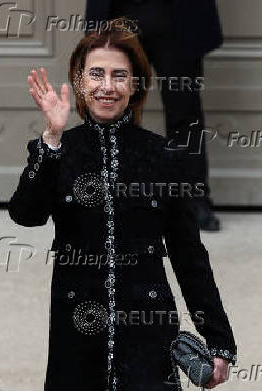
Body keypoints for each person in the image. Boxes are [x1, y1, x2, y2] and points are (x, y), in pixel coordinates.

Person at [8, 20, 237, 391]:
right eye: (96, 74)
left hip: (148, 331)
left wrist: (218, 339)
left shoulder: (163, 157)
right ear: (79, 82)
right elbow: (26, 214)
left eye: (119, 76)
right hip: (77, 330)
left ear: (135, 86)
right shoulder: (60, 150)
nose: (107, 86)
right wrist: (53, 140)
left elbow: (189, 256)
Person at [85, 0, 223, 231]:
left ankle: (192, 200)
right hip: (118, 15)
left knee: (184, 112)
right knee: (112, 111)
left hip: (178, 18)